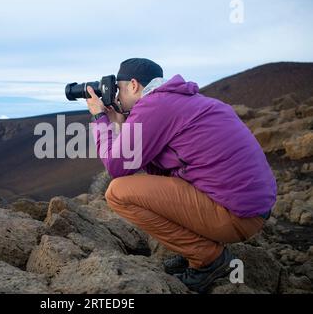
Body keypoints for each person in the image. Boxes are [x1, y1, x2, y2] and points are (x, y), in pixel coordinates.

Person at [86, 58, 277, 293]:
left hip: (235, 215)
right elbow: (157, 172)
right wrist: (123, 126)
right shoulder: (182, 101)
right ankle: (198, 250)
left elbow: (116, 167)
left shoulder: (154, 106)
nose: (116, 98)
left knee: (118, 193)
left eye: (119, 90)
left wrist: (99, 119)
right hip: (252, 210)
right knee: (144, 186)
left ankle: (208, 258)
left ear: (134, 85)